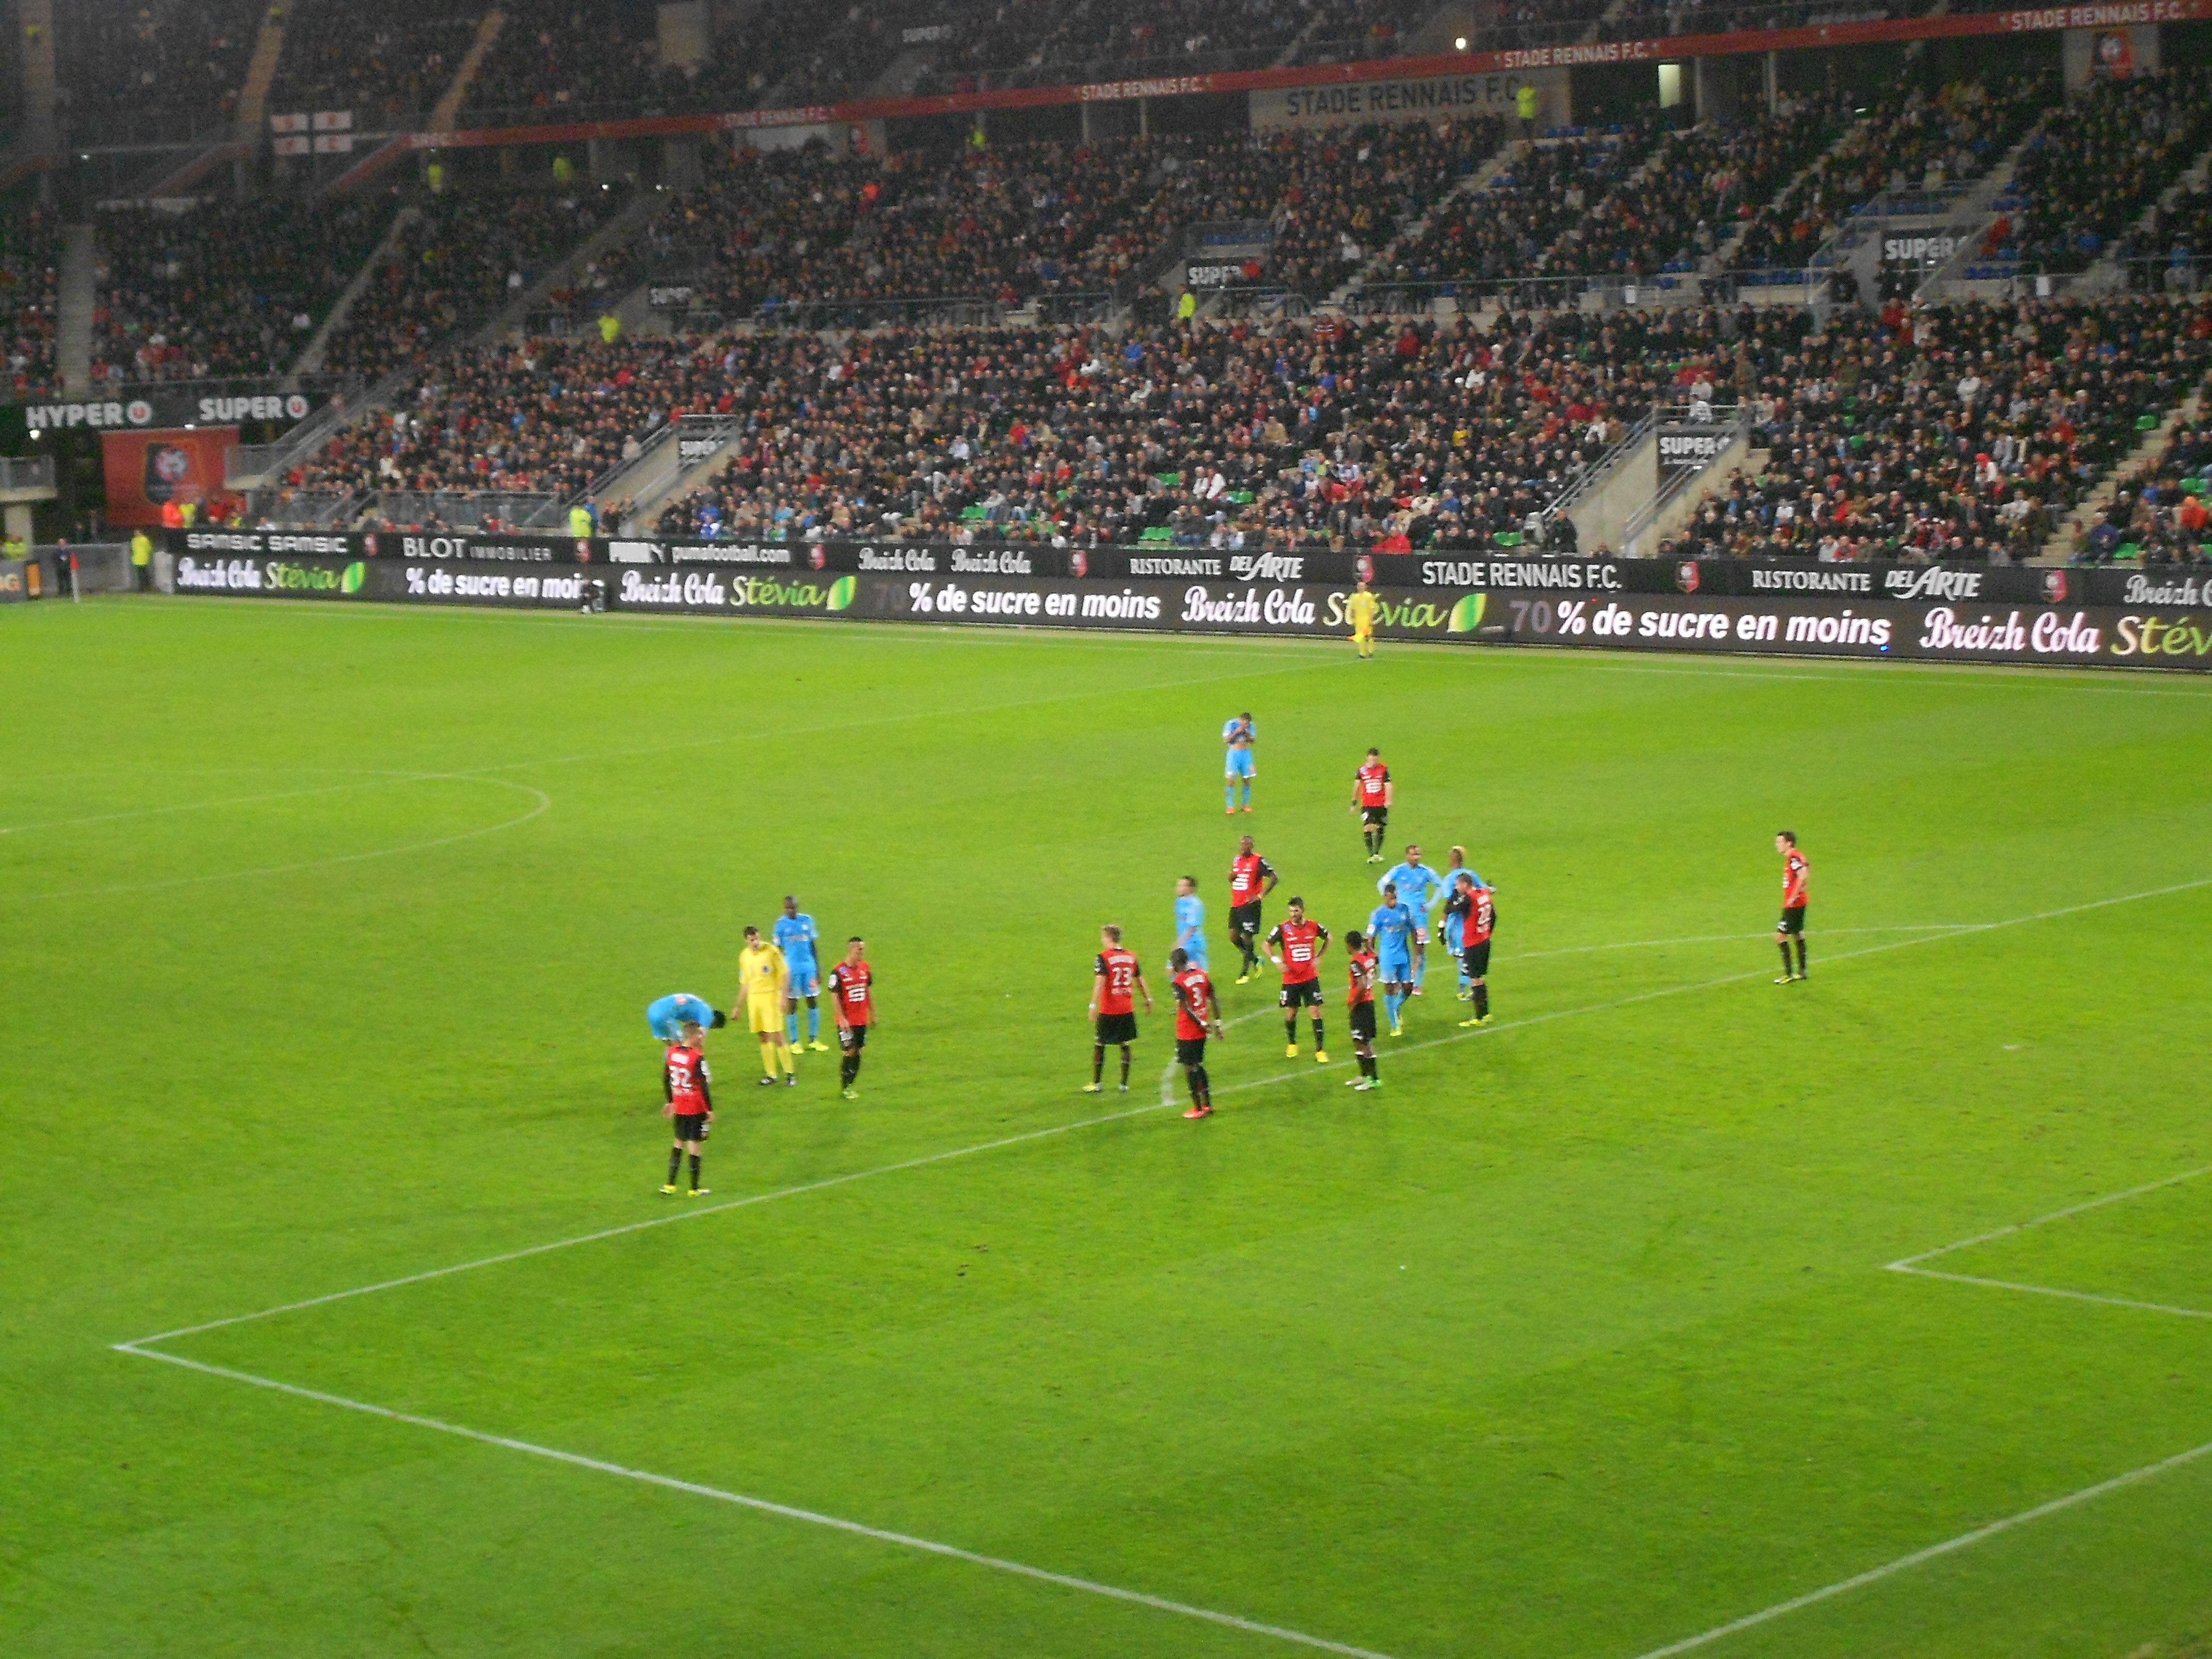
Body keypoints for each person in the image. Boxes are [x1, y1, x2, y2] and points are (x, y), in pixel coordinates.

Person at [1086, 925, 1152, 1093]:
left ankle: (1097, 1084)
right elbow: (1140, 980)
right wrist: (1148, 999)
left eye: (1103, 937)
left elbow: (1100, 983)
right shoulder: (1131, 957)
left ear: (1109, 938)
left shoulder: (1103, 957)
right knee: (1125, 1044)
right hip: (1126, 1008)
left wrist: (1093, 1005)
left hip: (1109, 1009)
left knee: (1100, 1043)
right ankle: (1124, 1084)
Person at [1267, 897, 1330, 1062]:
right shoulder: (1283, 928)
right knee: (1291, 1014)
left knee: (1315, 1012)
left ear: (1303, 910)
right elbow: (1266, 945)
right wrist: (1277, 961)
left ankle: (1320, 1050)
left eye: (1296, 911)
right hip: (1291, 979)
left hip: (1310, 978)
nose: (1293, 914)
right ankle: (1292, 1043)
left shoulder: (1313, 926)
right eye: (1291, 911)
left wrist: (1320, 957)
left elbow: (1329, 938)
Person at [1378, 844, 1444, 993]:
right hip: (1400, 916)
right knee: (1398, 947)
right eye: (1414, 854)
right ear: (1407, 856)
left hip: (1419, 917)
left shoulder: (1426, 872)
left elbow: (1440, 886)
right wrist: (1389, 900)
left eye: (1418, 854)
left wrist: (1430, 905)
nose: (1416, 857)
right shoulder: (1398, 870)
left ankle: (1417, 984)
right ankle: (1398, 981)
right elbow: (1382, 883)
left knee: (1419, 948)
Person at [734, 925, 796, 1086]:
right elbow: (745, 983)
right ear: (746, 940)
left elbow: (785, 973)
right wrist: (738, 1006)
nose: (755, 942)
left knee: (777, 1035)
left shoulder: (771, 951)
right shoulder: (744, 956)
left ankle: (790, 1074)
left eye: (757, 938)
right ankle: (771, 1075)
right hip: (754, 999)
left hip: (771, 997)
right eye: (752, 940)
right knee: (762, 1035)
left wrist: (784, 997)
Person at [1167, 946, 1222, 1119]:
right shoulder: (1202, 974)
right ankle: (1208, 1105)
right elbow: (1213, 997)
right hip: (1202, 1031)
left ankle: (1198, 1109)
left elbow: (1185, 1007)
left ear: (1176, 964)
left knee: (1190, 1067)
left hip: (1188, 1030)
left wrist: (1201, 1023)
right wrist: (1217, 1023)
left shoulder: (1179, 982)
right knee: (1198, 1064)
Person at [660, 1022, 714, 1196]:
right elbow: (703, 1085)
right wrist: (709, 1110)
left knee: (678, 1142)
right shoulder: (696, 1057)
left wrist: (671, 1101)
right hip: (695, 1106)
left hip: (680, 1104)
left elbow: (666, 1078)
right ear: (693, 1036)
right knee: (695, 1145)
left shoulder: (671, 1053)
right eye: (700, 1034)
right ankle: (694, 1188)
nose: (702, 1037)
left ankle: (670, 1185)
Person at [773, 895, 828, 1052]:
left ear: (797, 907)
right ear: (784, 908)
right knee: (793, 1004)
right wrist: (779, 973)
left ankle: (813, 1040)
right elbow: (777, 951)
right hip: (791, 970)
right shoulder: (780, 925)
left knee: (813, 1001)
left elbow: (813, 945)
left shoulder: (807, 920)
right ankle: (794, 1041)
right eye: (788, 908)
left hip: (809, 968)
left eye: (793, 907)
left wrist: (818, 969)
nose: (791, 910)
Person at [1367, 883, 1417, 1037]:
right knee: (1389, 988)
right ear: (1385, 897)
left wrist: (1417, 953)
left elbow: (1414, 930)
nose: (1394, 901)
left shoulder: (1405, 909)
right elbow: (1370, 938)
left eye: (1395, 897)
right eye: (1391, 898)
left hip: (1404, 954)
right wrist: (1374, 955)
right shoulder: (1378, 914)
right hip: (1388, 957)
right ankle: (1394, 1025)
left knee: (1408, 987)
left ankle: (1395, 1007)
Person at [1227, 834, 1279, 984]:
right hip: (1236, 904)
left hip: (1250, 906)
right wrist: (1231, 878)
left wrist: (1261, 895)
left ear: (1251, 846)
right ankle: (1256, 960)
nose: (1243, 847)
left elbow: (1274, 877)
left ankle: (1244, 973)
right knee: (1234, 937)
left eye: (1246, 845)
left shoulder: (1258, 861)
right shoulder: (1237, 860)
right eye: (1242, 844)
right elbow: (1236, 879)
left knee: (1248, 937)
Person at [826, 937, 874, 1098]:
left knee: (858, 1050)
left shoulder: (865, 968)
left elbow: (867, 991)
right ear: (852, 950)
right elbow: (834, 997)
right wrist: (841, 1019)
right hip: (847, 1021)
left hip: (861, 1019)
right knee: (849, 1051)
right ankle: (845, 1087)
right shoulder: (838, 972)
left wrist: (872, 1013)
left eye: (863, 949)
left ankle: (850, 1084)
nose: (862, 952)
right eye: (860, 949)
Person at [1437, 845, 1485, 998]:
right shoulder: (1471, 875)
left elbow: (1449, 902)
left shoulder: (1449, 879)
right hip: (1473, 921)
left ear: (1452, 861)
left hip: (1457, 924)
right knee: (1466, 956)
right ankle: (1469, 987)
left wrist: (1441, 926)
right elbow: (1483, 891)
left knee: (1461, 956)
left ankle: (1464, 989)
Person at [1451, 873, 1497, 1027]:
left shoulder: (1469, 899)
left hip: (1473, 943)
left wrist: (1455, 896)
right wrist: (1487, 933)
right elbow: (1494, 916)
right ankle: (1486, 1014)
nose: (1457, 888)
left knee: (1475, 980)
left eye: (1458, 885)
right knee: (1480, 978)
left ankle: (1479, 1017)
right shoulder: (1484, 894)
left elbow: (1453, 908)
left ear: (1465, 885)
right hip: (1485, 941)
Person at [1343, 929, 1381, 1091]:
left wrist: (1354, 1002)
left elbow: (1362, 985)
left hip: (1362, 1005)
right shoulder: (1369, 957)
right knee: (1358, 1040)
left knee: (1364, 1042)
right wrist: (1369, 945)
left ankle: (1374, 1079)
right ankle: (1364, 1075)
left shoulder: (1356, 963)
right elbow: (1376, 958)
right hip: (1368, 1004)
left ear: (1350, 945)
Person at [1775, 831, 1809, 983]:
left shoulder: (1794, 857)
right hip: (1799, 902)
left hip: (1794, 904)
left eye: (1780, 842)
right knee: (1798, 934)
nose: (1777, 845)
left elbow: (1803, 875)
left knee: (1780, 936)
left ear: (1789, 843)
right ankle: (1802, 972)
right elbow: (1805, 872)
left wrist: (1793, 896)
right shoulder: (1796, 857)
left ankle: (1789, 974)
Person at [1351, 748, 1392, 862]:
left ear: (1378, 758)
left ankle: (1377, 853)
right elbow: (1357, 786)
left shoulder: (1383, 769)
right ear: (1367, 758)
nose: (1373, 761)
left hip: (1380, 803)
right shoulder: (1362, 770)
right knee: (1368, 827)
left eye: (1375, 759)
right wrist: (1354, 803)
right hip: (1367, 804)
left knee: (1380, 827)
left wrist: (1389, 800)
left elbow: (1388, 785)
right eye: (1371, 759)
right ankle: (1370, 855)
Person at [646, 991, 725, 1041]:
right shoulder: (708, 1016)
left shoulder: (700, 1007)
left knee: (672, 1045)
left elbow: (688, 1028)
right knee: (679, 1047)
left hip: (653, 1009)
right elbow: (700, 1039)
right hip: (663, 1016)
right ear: (715, 1022)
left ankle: (669, 1063)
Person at [1172, 875, 1208, 972]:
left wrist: (1179, 943)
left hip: (1194, 943)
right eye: (1178, 885)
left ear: (1191, 889)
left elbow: (1192, 927)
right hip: (1183, 942)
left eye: (1182, 886)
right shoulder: (1179, 902)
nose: (1178, 888)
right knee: (1174, 969)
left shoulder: (1195, 904)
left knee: (1200, 973)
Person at [1222, 711, 1257, 814]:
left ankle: (1245, 805)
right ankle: (1230, 806)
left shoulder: (1251, 726)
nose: (1246, 724)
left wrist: (1246, 732)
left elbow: (1253, 740)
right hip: (1234, 754)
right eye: (1244, 723)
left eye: (1247, 723)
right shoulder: (1231, 724)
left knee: (1247, 779)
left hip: (1246, 754)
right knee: (1231, 780)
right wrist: (1237, 732)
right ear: (1240, 720)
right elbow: (1226, 740)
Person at [1346, 578, 1380, 660]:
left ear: (1365, 587)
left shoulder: (1369, 596)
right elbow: (1353, 609)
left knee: (1368, 636)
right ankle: (1362, 654)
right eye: (1359, 586)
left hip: (1366, 619)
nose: (1360, 588)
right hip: (1358, 620)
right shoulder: (1355, 597)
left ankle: (1371, 653)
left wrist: (1371, 620)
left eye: (1362, 586)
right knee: (1360, 637)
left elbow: (1372, 608)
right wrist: (1353, 619)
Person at [129, 527, 153, 591]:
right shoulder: (140, 540)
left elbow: (148, 548)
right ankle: (145, 586)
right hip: (140, 558)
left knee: (142, 574)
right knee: (143, 573)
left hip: (140, 558)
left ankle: (143, 587)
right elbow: (149, 548)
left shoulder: (136, 540)